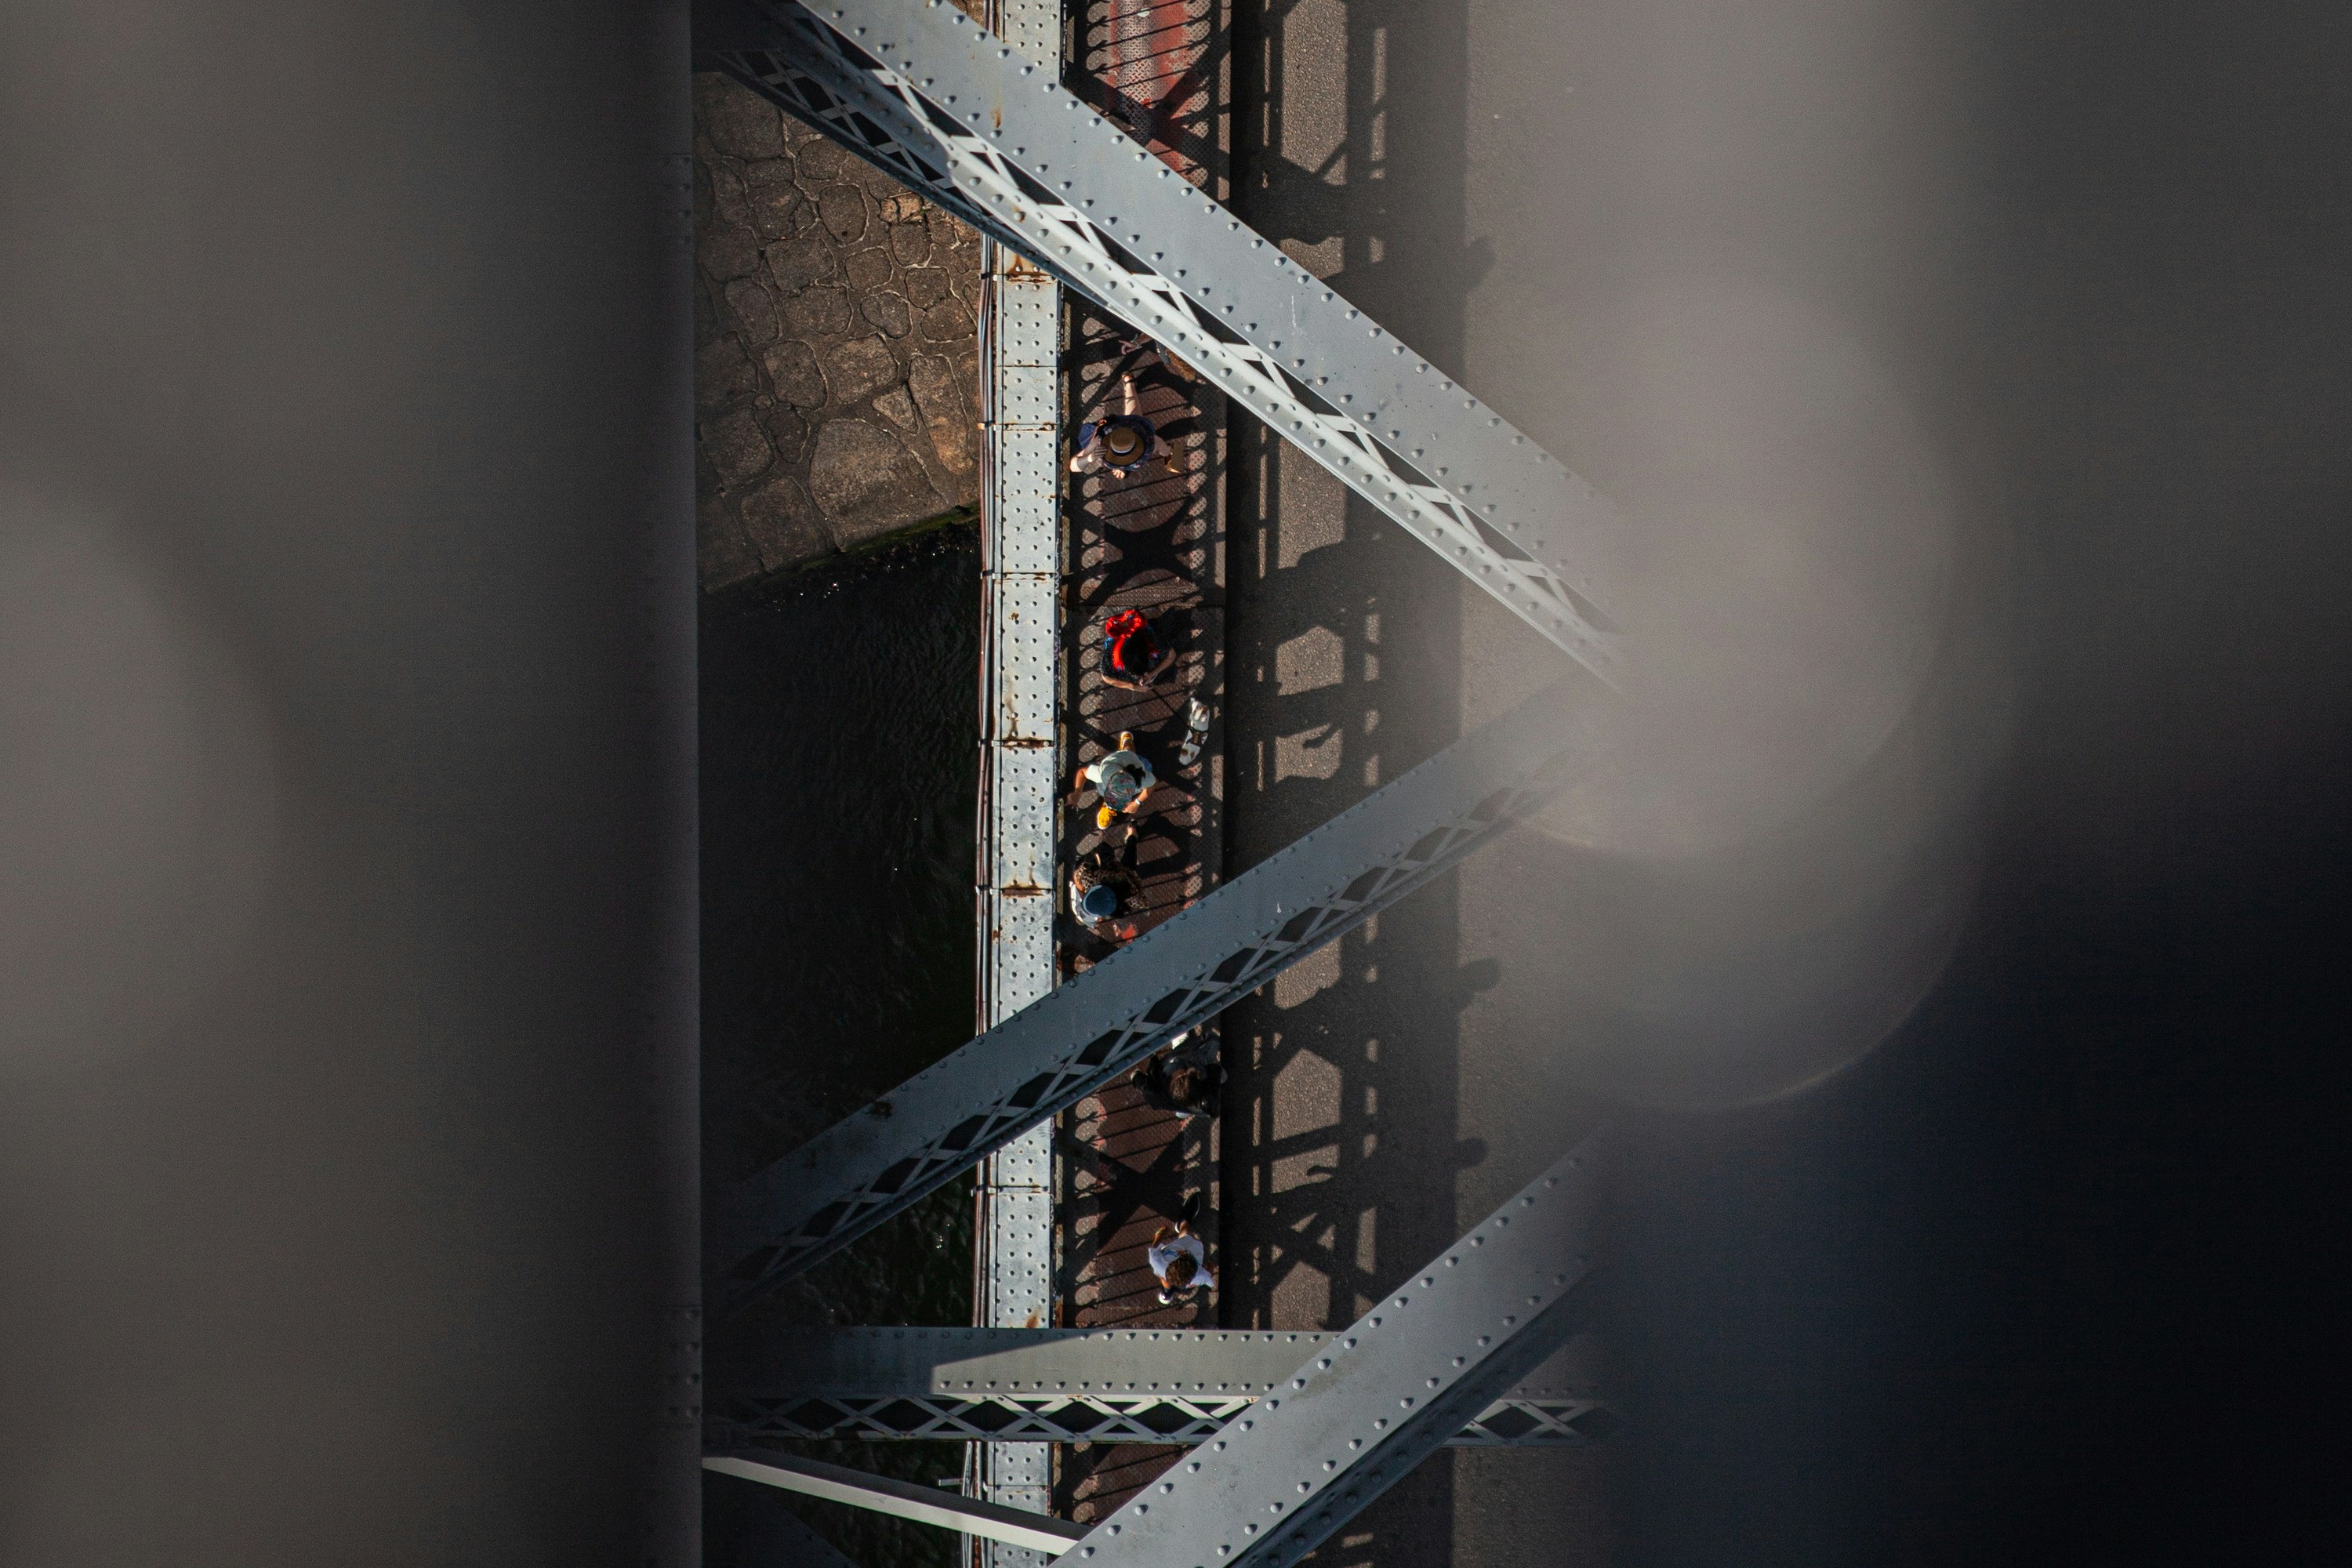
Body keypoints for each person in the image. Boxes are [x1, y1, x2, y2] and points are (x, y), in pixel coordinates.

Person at [1069, 347, 1171, 479]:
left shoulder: (1103, 442)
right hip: (1124, 428)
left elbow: (1074, 466)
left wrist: (1091, 458)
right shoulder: (1149, 442)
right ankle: (1130, 384)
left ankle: (1130, 384)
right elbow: (1163, 447)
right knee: (1135, 420)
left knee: (1135, 419)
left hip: (1120, 427)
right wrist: (1090, 457)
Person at [1072, 730, 1158, 830]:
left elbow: (1082, 772)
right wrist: (1136, 803)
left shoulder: (1143, 780)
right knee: (1131, 754)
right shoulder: (1103, 773)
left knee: (1130, 753)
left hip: (1124, 760)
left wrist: (1136, 803)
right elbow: (1082, 772)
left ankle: (1127, 741)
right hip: (1123, 761)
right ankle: (1127, 741)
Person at [1069, 836, 1145, 945]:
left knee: (1129, 861)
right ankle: (1131, 836)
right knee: (1128, 861)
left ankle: (1132, 837)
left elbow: (1139, 898)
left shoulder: (1130, 900)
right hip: (1115, 871)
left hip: (1128, 879)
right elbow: (1104, 849)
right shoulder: (1089, 875)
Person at [1147, 1193, 1216, 1305]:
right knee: (1186, 1234)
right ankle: (1183, 1223)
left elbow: (1154, 1246)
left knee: (1164, 1279)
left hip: (1179, 1252)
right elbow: (1210, 1274)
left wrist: (1161, 1233)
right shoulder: (1200, 1277)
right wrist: (1210, 1266)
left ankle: (1167, 1293)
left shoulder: (1158, 1262)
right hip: (1191, 1246)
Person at [1131, 1044, 1225, 1121]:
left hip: (1182, 1104)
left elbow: (1135, 1076)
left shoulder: (1155, 1092)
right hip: (1194, 1104)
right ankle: (1183, 1113)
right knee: (1223, 1076)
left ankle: (1183, 1113)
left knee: (1185, 1108)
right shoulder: (1207, 1099)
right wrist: (1197, 1069)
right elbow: (1214, 1069)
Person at [1101, 607, 1176, 691]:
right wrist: (1132, 686)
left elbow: (1171, 656)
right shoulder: (1110, 658)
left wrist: (1151, 674)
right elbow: (1106, 677)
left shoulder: (1154, 641)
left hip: (1151, 635)